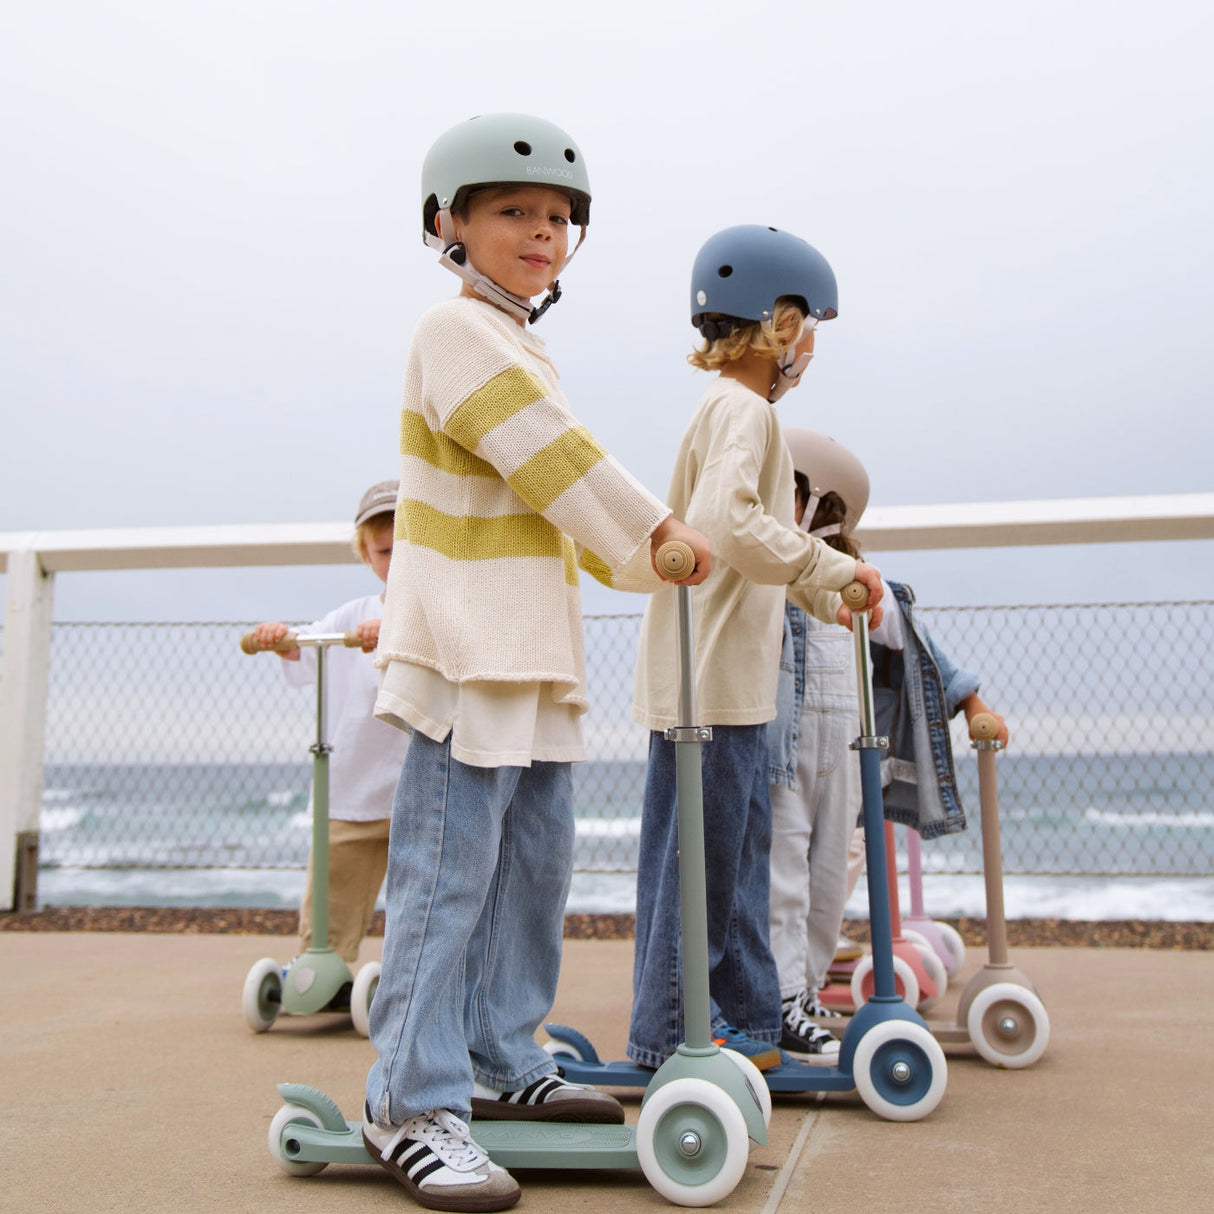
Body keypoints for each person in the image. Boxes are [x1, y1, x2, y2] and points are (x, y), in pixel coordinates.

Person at [361, 113, 711, 1214]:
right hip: (466, 648)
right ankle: (410, 1102)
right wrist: (657, 533)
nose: (541, 231)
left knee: (530, 876)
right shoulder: (453, 330)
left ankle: (502, 1055)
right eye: (512, 210)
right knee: (445, 878)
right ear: (447, 224)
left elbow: (560, 496)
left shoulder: (524, 340)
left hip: (533, 655)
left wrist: (641, 553)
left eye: (558, 217)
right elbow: (555, 459)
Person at [628, 225, 885, 1075]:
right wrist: (830, 563)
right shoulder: (743, 411)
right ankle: (671, 1037)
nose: (811, 346)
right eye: (809, 325)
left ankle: (743, 1023)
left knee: (732, 860)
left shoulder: (738, 413)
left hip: (726, 681)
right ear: (778, 323)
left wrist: (824, 589)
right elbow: (732, 525)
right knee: (698, 869)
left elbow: (747, 539)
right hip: (711, 687)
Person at [767, 429, 1008, 1057]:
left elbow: (920, 651)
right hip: (784, 744)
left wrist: (971, 698)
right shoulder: (770, 577)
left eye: (788, 492)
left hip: (847, 748)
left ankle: (807, 988)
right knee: (783, 872)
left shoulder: (860, 583)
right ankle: (783, 996)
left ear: (817, 504)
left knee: (826, 879)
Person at [250, 480, 409, 965]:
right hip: (353, 787)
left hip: (420, 788)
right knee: (331, 898)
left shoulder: (437, 614)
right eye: (384, 551)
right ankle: (324, 971)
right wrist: (280, 638)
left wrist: (395, 634)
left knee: (427, 902)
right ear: (367, 556)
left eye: (408, 548)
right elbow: (304, 649)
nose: (396, 560)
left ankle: (422, 984)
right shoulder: (352, 614)